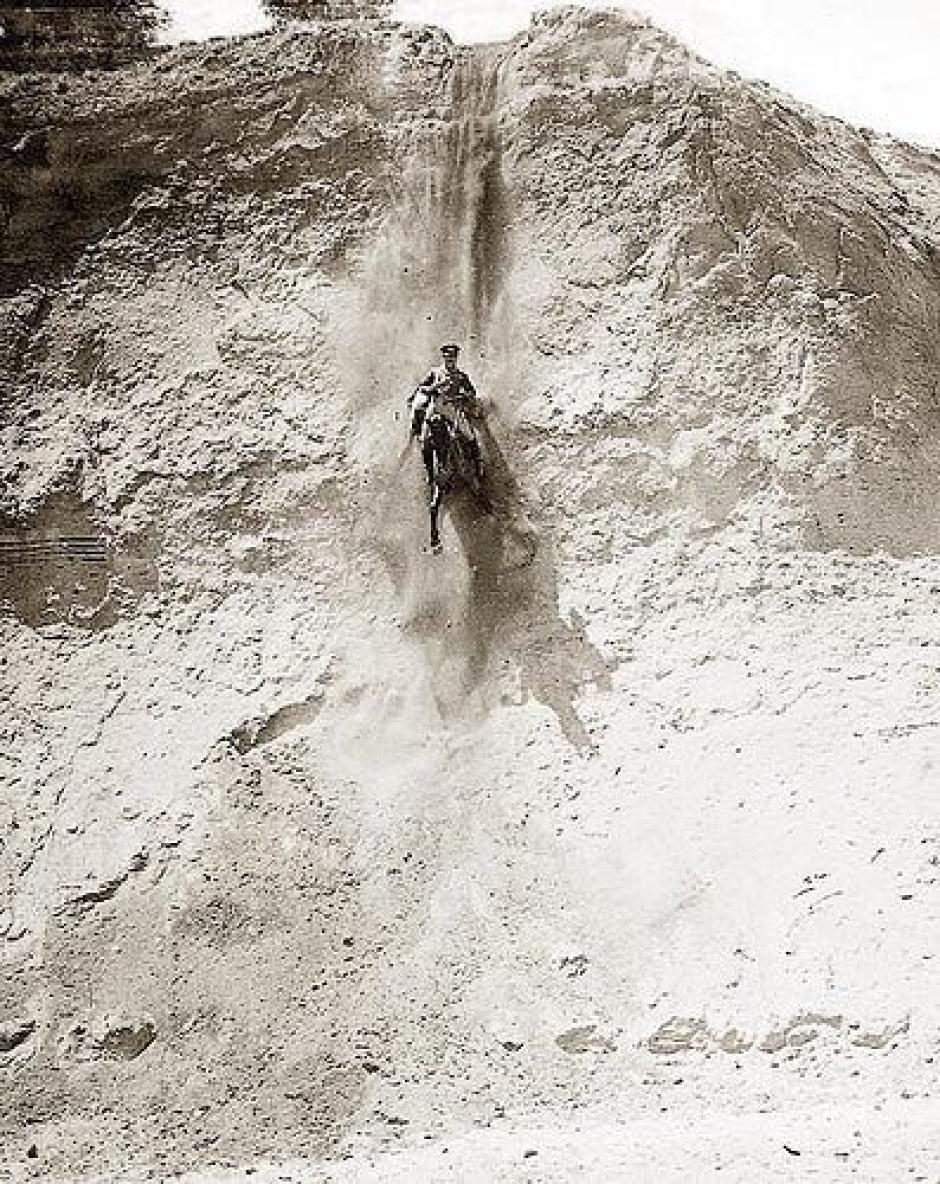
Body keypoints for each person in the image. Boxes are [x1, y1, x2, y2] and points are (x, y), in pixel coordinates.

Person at [408, 343, 484, 480]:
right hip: (435, 406)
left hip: (452, 408)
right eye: (448, 358)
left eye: (453, 358)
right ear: (443, 357)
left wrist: (465, 395)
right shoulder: (435, 373)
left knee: (469, 434)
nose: (450, 361)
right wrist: (436, 386)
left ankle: (477, 463)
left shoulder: (460, 376)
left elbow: (472, 391)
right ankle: (430, 472)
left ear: (456, 358)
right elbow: (422, 388)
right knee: (425, 440)